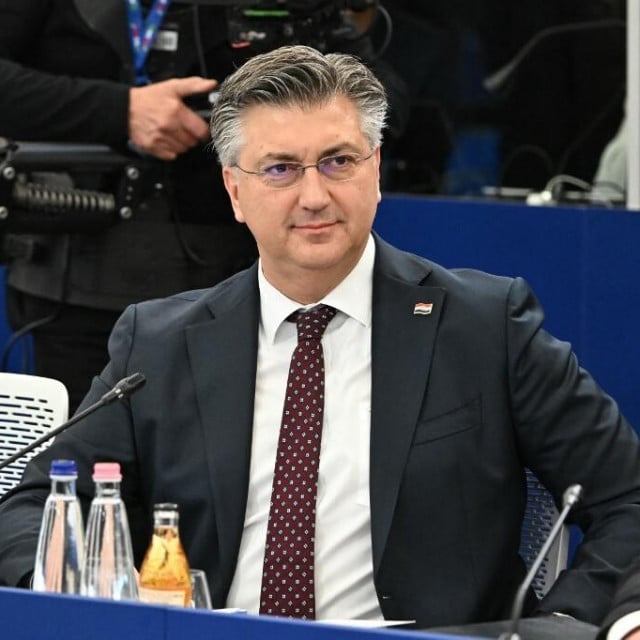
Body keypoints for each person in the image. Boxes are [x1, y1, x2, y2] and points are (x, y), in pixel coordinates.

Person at [0, 44, 639, 630]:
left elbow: (627, 498)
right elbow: (34, 508)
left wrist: (562, 625)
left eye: (338, 161)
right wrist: (75, 598)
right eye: (279, 169)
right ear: (235, 191)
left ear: (376, 169)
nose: (314, 195)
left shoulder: (484, 326)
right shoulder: (159, 343)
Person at [0, 0, 408, 411]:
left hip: (232, 281)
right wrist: (120, 110)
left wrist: (284, 127)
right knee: (88, 463)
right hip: (77, 284)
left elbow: (385, 100)